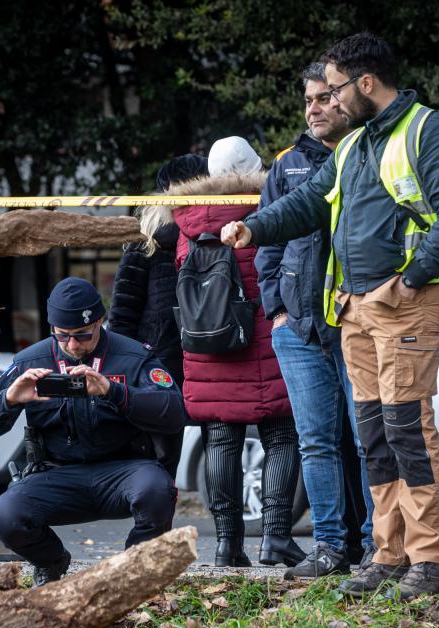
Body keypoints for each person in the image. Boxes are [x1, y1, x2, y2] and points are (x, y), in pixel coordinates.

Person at [221, 33, 439, 599]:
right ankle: (387, 555)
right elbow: (310, 202)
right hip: (356, 310)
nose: (330, 102)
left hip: (405, 303)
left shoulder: (429, 131)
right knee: (374, 435)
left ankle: (431, 558)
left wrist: (408, 282)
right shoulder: (354, 143)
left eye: (336, 89)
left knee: (408, 429)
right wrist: (255, 227)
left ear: (366, 84)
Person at [0, 278, 186, 585]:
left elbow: (174, 412)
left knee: (157, 490)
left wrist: (113, 392)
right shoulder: (32, 360)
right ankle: (51, 562)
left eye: (82, 335)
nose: (72, 345)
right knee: (5, 515)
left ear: (100, 321)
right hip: (57, 475)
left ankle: (133, 573)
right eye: (62, 336)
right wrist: (9, 400)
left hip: (122, 473)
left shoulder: (134, 357)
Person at [254, 62, 375, 578]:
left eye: (325, 98)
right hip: (299, 330)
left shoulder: (372, 154)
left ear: (348, 98)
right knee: (317, 442)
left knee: (370, 439)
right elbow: (269, 244)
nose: (314, 108)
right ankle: (329, 549)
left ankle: (379, 548)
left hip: (358, 323)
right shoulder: (288, 164)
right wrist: (276, 312)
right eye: (308, 100)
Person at [159, 136, 302, 568]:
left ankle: (227, 545)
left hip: (207, 346)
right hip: (262, 341)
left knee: (220, 438)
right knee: (281, 435)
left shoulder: (184, 220)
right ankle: (275, 536)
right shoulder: (268, 210)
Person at [109, 154, 208, 474]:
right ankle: (157, 521)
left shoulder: (215, 235)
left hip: (192, 360)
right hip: (159, 367)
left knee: (170, 456)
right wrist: (123, 369)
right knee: (158, 456)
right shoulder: (145, 243)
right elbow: (123, 312)